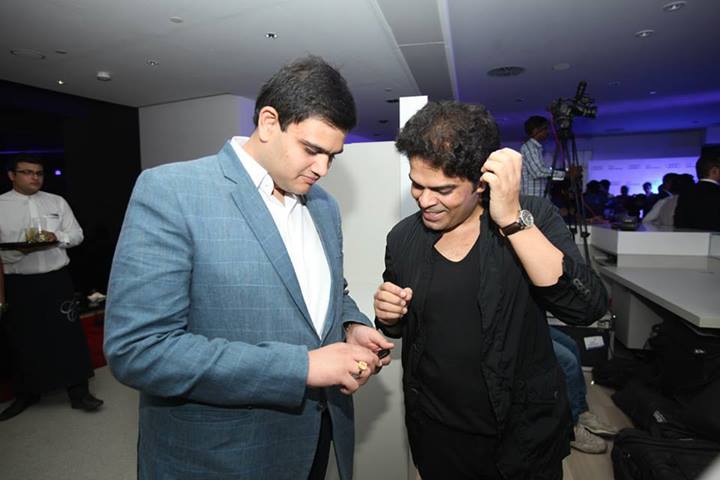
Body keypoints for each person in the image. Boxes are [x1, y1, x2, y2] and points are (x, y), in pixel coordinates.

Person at [104, 56, 392, 480]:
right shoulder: (171, 191)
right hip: (222, 458)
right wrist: (302, 367)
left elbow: (329, 291)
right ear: (269, 122)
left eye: (333, 156)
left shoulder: (324, 206)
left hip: (314, 438)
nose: (322, 169)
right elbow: (139, 350)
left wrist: (351, 324)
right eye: (312, 150)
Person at [373, 101, 608, 480]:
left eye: (443, 189)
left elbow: (586, 307)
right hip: (438, 434)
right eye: (417, 185)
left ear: (481, 183)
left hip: (520, 436)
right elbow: (403, 327)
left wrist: (512, 220)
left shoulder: (532, 217)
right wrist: (388, 316)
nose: (425, 200)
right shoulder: (403, 238)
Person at [0, 155, 102, 421]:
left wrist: (57, 237)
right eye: (27, 172)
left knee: (68, 335)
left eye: (39, 173)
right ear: (12, 175)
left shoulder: (57, 202)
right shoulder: (1, 205)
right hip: (18, 281)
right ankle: (27, 393)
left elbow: (77, 235)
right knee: (22, 338)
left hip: (56, 279)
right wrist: (19, 251)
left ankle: (79, 392)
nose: (35, 177)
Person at [549, 327, 617, 454]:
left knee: (572, 345)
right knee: (569, 362)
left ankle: (581, 411)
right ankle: (570, 428)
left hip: (534, 323)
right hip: (517, 329)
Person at [674, 154, 720, 231]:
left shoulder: (686, 192)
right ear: (714, 171)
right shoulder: (717, 192)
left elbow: (678, 222)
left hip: (689, 237)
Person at [520, 115, 553, 197]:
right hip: (533, 198)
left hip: (538, 198)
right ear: (535, 131)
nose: (547, 132)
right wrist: (565, 174)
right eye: (545, 129)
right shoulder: (529, 147)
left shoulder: (536, 148)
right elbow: (538, 172)